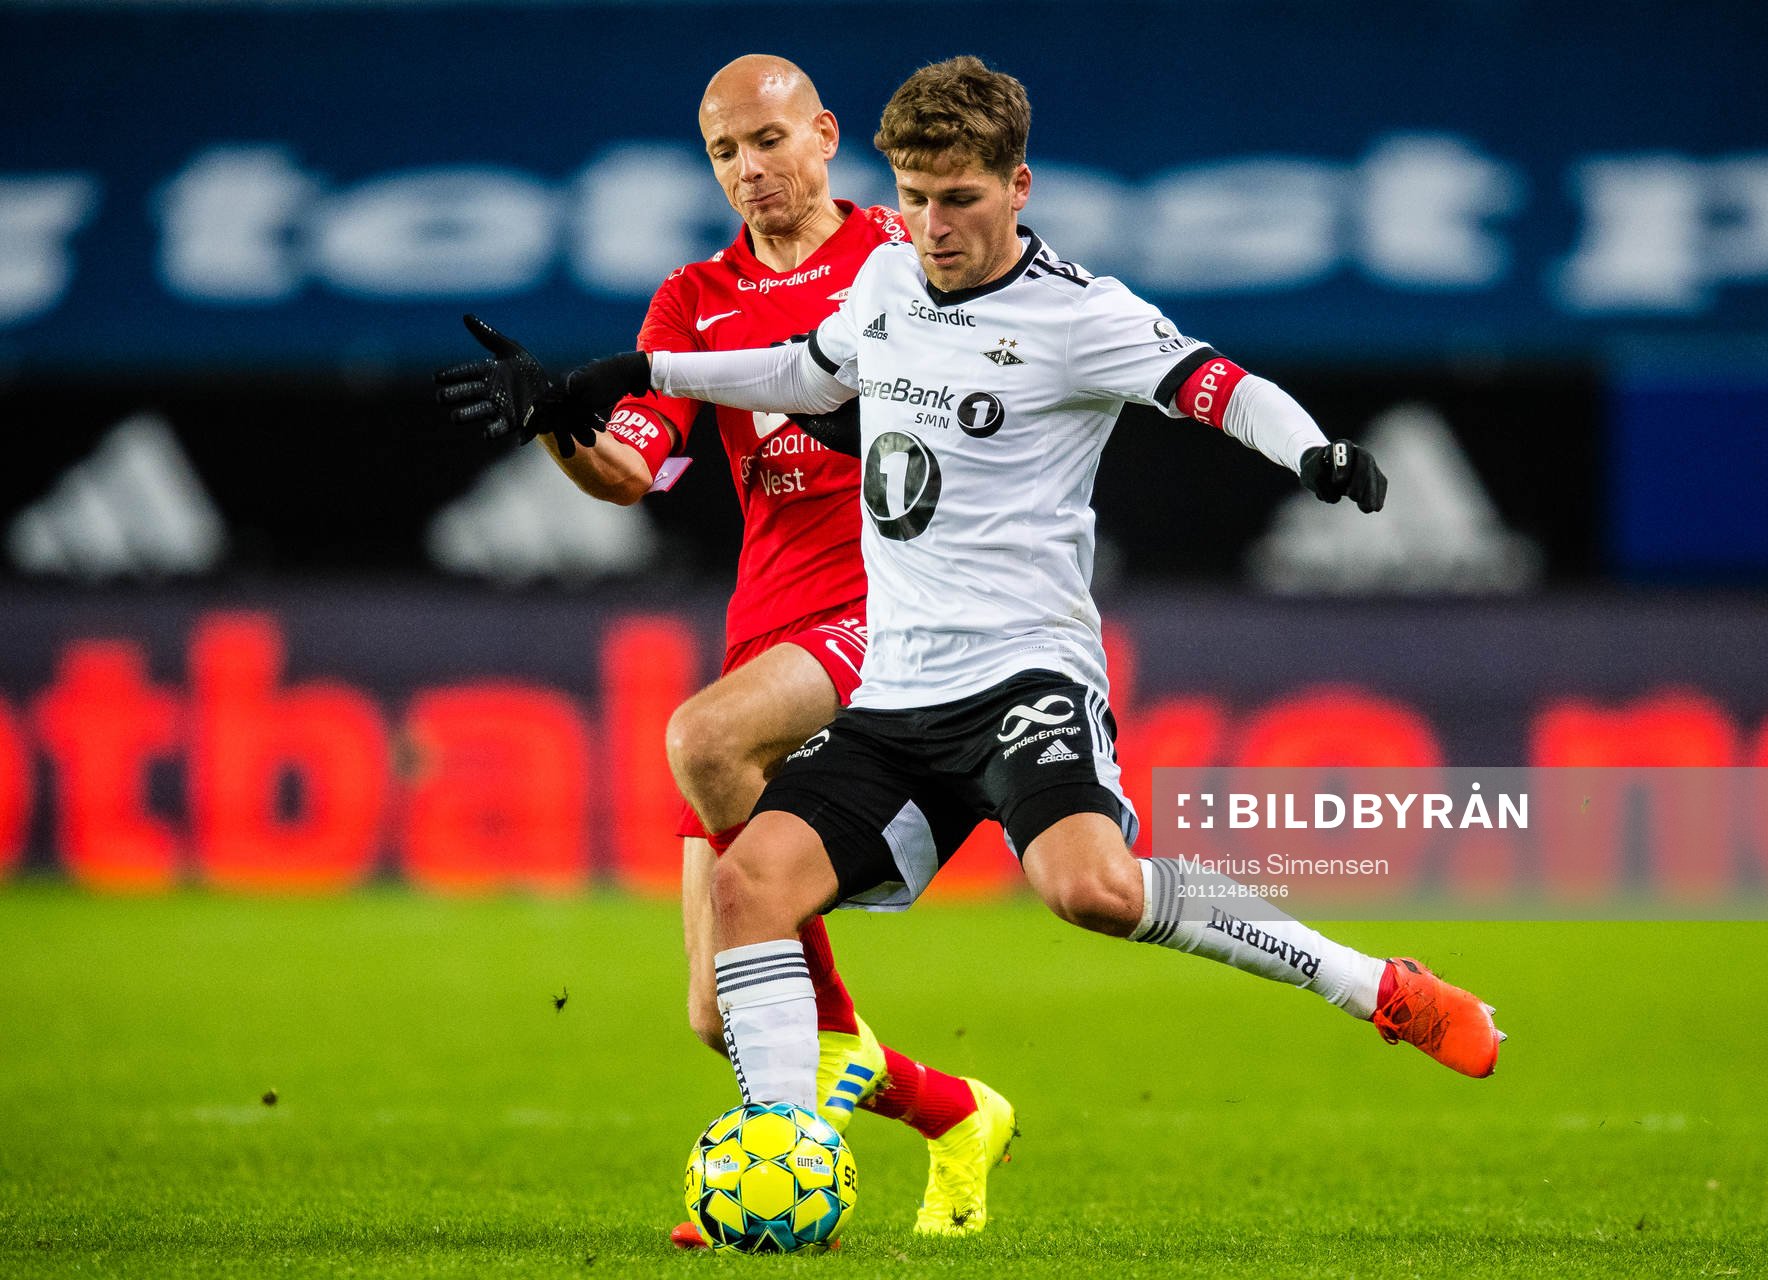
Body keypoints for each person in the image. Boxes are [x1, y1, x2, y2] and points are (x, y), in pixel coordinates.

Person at [444, 53, 1505, 1181]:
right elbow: (806, 372)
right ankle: (784, 1154)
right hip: (896, 687)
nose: (933, 226)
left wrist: (1317, 452)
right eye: (915, 198)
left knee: (1088, 886)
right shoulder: (887, 286)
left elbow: (1215, 383)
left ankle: (1375, 987)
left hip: (1021, 676)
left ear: (1017, 188)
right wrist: (613, 374)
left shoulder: (1080, 313)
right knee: (748, 898)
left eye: (959, 199)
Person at [434, 55, 1013, 1242]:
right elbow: (632, 469)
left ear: (826, 137)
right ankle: (955, 1109)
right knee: (719, 1008)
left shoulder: (904, 258)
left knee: (701, 732)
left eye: (769, 141)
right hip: (773, 624)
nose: (751, 171)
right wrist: (557, 420)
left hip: (894, 608)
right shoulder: (693, 295)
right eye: (724, 153)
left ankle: (782, 1149)